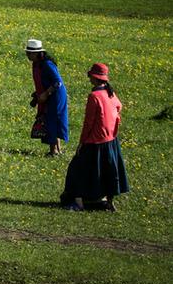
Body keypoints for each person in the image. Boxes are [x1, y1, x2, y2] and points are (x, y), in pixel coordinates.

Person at [60, 63, 129, 211]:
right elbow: (119, 107)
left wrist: (82, 142)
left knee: (76, 169)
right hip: (111, 139)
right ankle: (109, 201)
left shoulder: (94, 96)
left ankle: (78, 203)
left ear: (94, 77)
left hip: (95, 140)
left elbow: (89, 122)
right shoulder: (111, 93)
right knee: (109, 171)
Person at [25, 39, 69, 156]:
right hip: (49, 95)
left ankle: (54, 151)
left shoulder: (47, 64)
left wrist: (45, 94)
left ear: (37, 53)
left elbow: (57, 82)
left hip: (55, 96)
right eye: (27, 53)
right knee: (50, 119)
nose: (28, 55)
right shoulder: (37, 64)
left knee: (51, 120)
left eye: (30, 53)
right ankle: (57, 150)